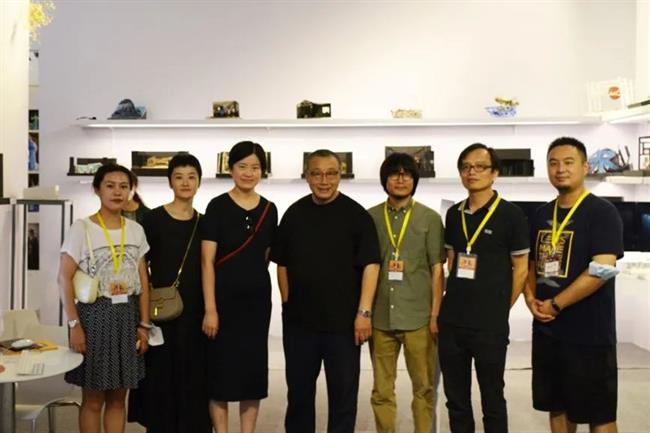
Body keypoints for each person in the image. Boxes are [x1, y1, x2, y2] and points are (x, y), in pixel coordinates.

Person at [271, 149, 381, 433]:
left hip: (344, 326)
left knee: (343, 396)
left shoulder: (357, 216)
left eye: (331, 174)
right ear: (307, 176)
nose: (324, 181)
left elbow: (371, 266)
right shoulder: (294, 214)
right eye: (317, 174)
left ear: (340, 176)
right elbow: (282, 264)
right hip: (300, 325)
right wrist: (287, 303)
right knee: (299, 396)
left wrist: (364, 313)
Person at [524, 137, 624, 433]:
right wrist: (531, 300)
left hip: (589, 332)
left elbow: (602, 269)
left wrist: (556, 304)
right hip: (548, 331)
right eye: (553, 163)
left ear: (585, 167)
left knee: (599, 413)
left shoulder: (602, 212)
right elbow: (531, 264)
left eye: (568, 163)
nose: (560, 169)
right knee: (557, 406)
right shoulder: (542, 214)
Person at [438, 143, 529, 433]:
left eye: (479, 167)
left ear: (495, 173)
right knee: (456, 400)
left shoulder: (511, 215)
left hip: (489, 324)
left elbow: (521, 268)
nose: (471, 172)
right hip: (452, 321)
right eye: (465, 167)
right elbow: (452, 261)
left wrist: (501, 308)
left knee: (492, 398)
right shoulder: (454, 214)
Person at [58, 163, 150, 433]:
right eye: (110, 186)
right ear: (97, 189)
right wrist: (74, 325)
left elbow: (144, 281)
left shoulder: (135, 230)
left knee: (119, 400)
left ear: (131, 191)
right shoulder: (82, 228)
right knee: (93, 399)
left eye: (124, 186)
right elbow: (63, 278)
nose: (117, 192)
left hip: (128, 317)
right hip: (94, 318)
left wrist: (144, 325)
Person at [128, 153, 211, 433]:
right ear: (170, 182)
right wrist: (143, 313)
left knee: (193, 375)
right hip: (160, 312)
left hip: (196, 311)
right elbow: (140, 267)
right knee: (161, 375)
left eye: (191, 177)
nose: (185, 183)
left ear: (199, 182)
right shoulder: (153, 219)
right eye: (179, 177)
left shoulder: (205, 222)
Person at [201, 141, 278, 433]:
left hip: (256, 304)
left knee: (252, 375)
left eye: (255, 167)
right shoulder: (217, 206)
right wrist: (210, 309)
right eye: (242, 166)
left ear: (262, 171)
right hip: (222, 303)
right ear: (230, 169)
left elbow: (266, 255)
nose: (248, 173)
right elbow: (207, 261)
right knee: (219, 374)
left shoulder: (269, 209)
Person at [367, 153, 445, 433]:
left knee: (423, 388)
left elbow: (437, 269)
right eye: (394, 174)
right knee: (381, 391)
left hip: (419, 319)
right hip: (380, 318)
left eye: (407, 174)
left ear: (414, 180)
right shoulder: (370, 218)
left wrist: (435, 315)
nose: (401, 180)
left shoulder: (430, 218)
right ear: (384, 180)